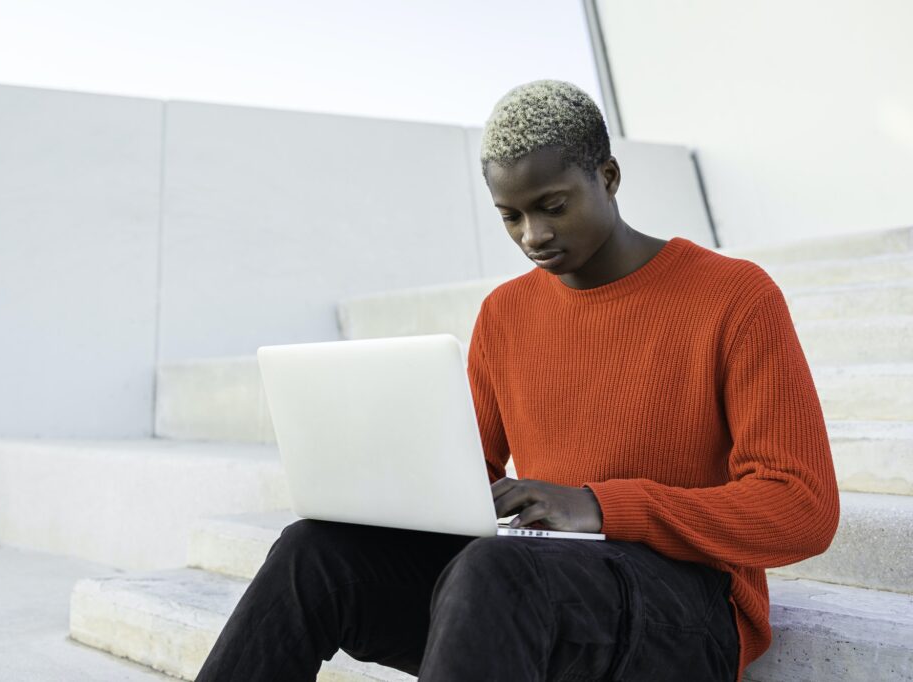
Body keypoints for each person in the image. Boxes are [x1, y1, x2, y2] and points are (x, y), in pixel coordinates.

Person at [195, 79, 840, 682]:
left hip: (689, 606)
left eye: (552, 207)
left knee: (497, 570)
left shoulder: (732, 296)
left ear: (609, 177)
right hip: (530, 586)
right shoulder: (505, 313)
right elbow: (467, 474)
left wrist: (599, 505)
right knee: (314, 552)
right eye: (511, 216)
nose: (533, 235)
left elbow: (802, 508)